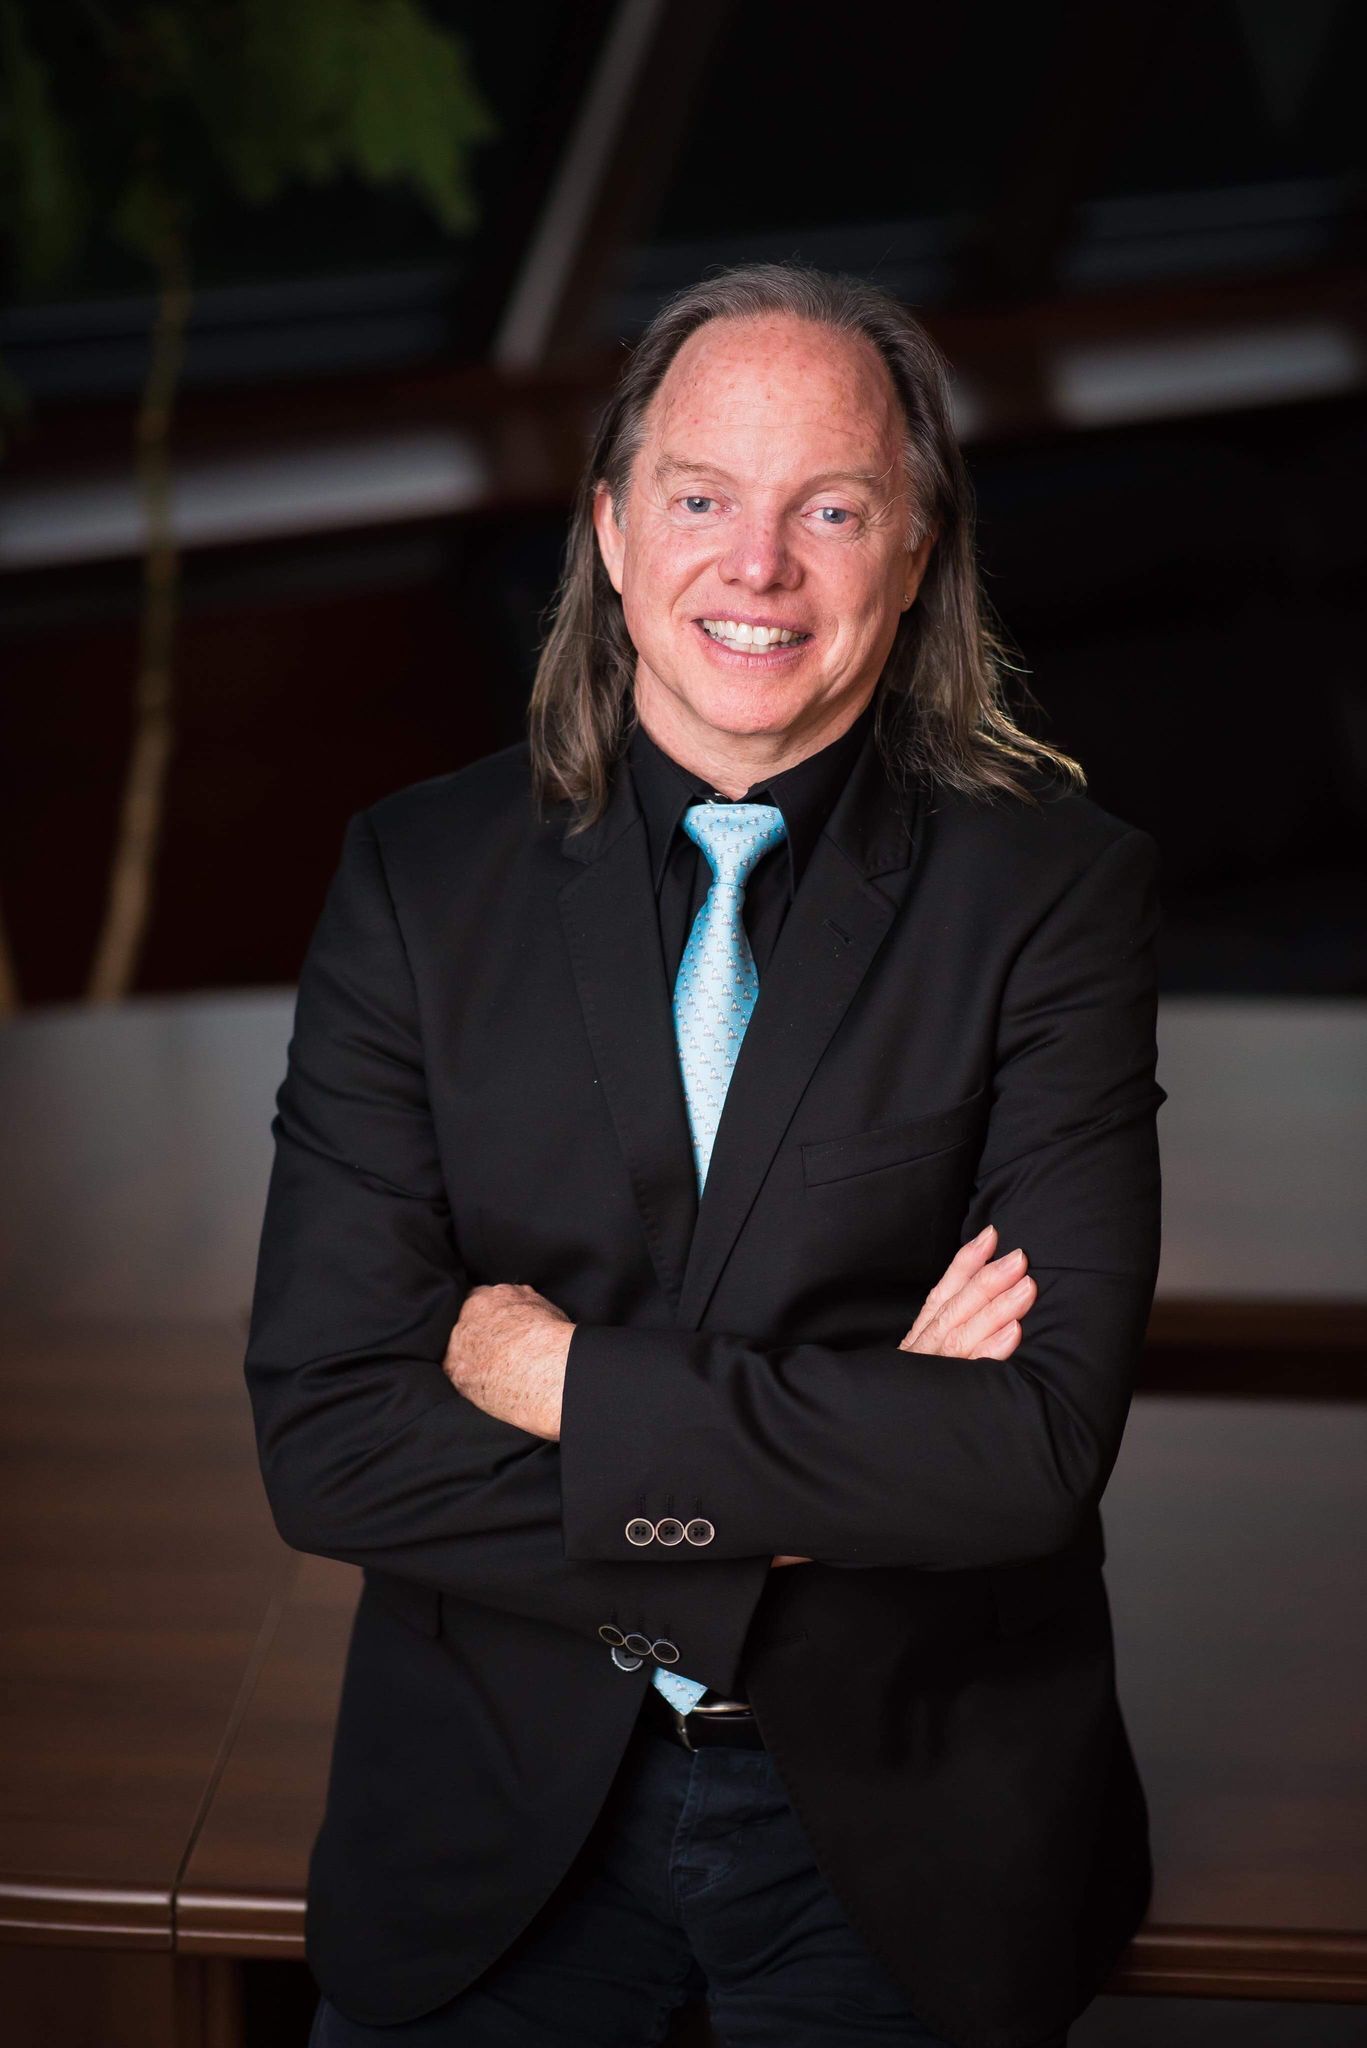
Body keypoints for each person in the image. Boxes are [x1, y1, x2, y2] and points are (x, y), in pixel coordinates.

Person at [245, 263, 1165, 2048]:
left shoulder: (1056, 895)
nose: (759, 568)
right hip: (493, 1818)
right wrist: (851, 1472)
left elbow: (1031, 1450)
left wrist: (559, 1381)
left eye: (831, 510)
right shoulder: (416, 884)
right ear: (609, 530)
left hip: (908, 1826)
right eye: (700, 500)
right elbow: (331, 1440)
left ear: (915, 551)